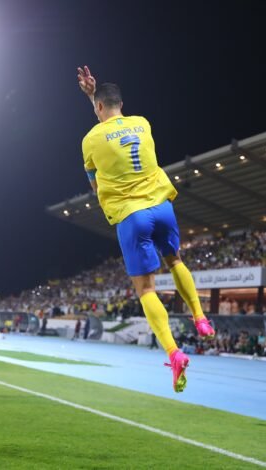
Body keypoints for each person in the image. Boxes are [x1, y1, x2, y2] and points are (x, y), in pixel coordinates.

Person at [77, 66, 214, 392]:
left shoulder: (89, 140)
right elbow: (115, 128)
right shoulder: (143, 123)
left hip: (132, 215)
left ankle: (174, 353)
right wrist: (93, 98)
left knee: (146, 289)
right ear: (120, 103)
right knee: (176, 260)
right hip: (162, 207)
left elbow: (95, 183)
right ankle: (200, 318)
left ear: (98, 107)